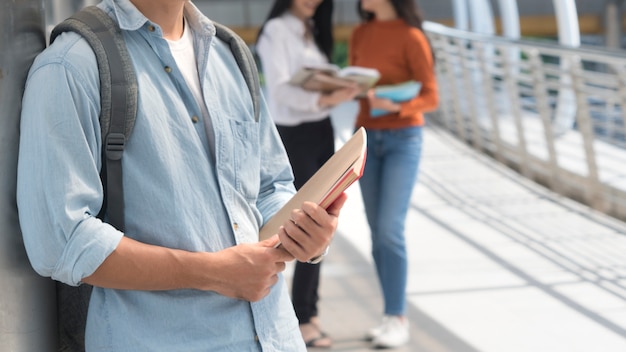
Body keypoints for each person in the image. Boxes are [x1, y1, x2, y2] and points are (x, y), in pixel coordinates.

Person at [16, 0, 348, 350]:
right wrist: (213, 273)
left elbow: (269, 186)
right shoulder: (70, 66)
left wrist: (305, 232)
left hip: (276, 337)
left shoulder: (229, 54)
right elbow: (61, 240)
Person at [256, 0, 360, 348]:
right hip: (294, 135)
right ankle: (297, 316)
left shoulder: (311, 30)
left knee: (323, 222)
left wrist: (335, 91)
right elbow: (282, 93)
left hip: (320, 131)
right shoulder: (276, 30)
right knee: (302, 222)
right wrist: (329, 99)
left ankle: (307, 313)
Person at [349, 0, 439, 348]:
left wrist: (398, 105)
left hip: (404, 139)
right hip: (367, 139)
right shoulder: (360, 33)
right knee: (376, 233)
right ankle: (389, 315)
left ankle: (398, 316)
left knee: (390, 230)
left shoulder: (412, 37)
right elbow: (358, 88)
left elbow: (431, 96)